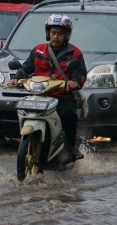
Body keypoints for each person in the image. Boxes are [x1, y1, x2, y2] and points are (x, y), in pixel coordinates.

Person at [7, 14, 87, 160]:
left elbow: (80, 73)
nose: (56, 36)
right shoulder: (38, 50)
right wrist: (16, 79)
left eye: (60, 33)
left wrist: (74, 82)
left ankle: (70, 146)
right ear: (48, 33)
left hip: (62, 96)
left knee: (69, 115)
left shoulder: (75, 53)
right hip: (39, 96)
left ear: (66, 35)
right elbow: (25, 67)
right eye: (53, 33)